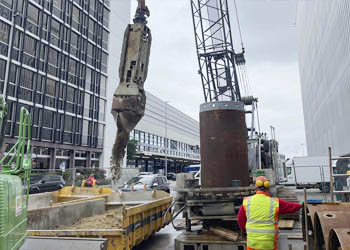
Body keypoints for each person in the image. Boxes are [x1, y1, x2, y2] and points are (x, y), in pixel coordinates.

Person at [237, 176, 302, 250]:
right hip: (268, 243)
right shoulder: (274, 202)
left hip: (252, 243)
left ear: (256, 187)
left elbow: (240, 219)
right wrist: (301, 205)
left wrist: (243, 230)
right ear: (268, 188)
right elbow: (290, 207)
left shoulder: (247, 201)